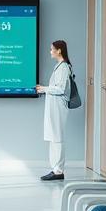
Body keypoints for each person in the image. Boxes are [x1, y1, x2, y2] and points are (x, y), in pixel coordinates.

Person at [36, 40, 73, 182]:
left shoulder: (63, 67)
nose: (50, 51)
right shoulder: (59, 66)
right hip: (54, 107)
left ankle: (58, 171)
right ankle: (55, 169)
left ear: (59, 50)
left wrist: (44, 89)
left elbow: (60, 89)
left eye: (52, 49)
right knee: (53, 137)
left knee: (57, 138)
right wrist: (44, 89)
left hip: (58, 107)